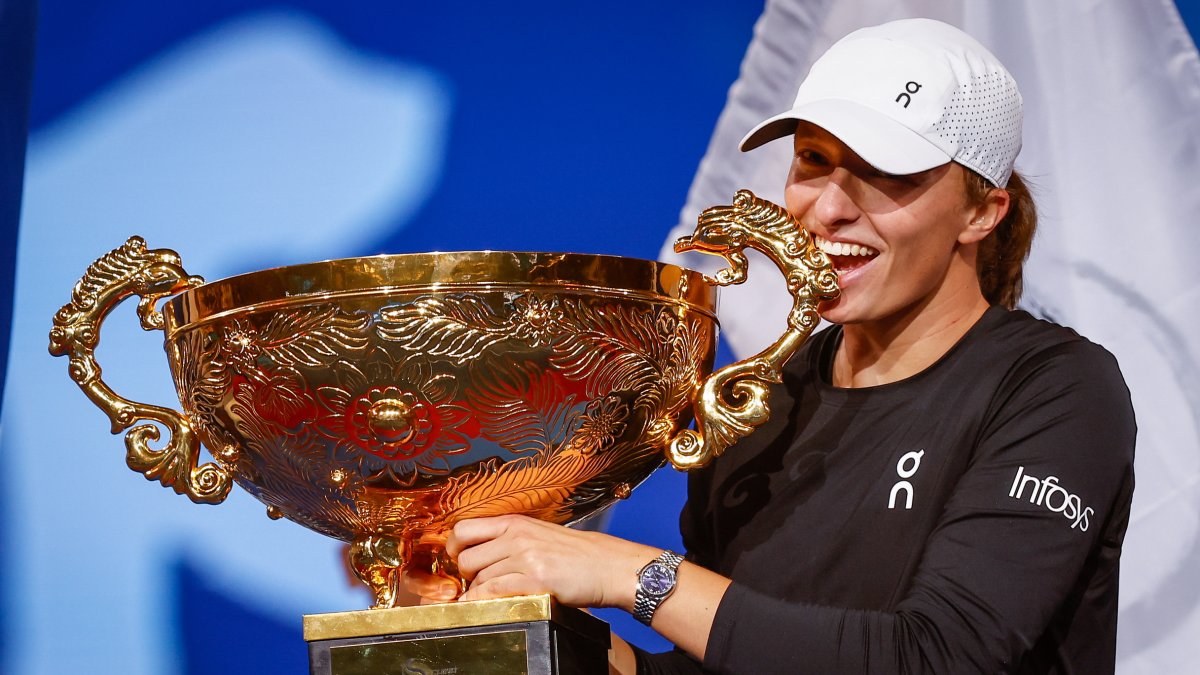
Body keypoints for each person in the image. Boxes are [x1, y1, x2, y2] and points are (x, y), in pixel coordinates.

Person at [411, 18, 1136, 674]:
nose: (827, 208)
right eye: (814, 160)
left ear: (981, 209)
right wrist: (501, 622)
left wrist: (632, 574)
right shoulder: (764, 403)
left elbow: (939, 656)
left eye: (885, 172)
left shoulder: (1058, 390)